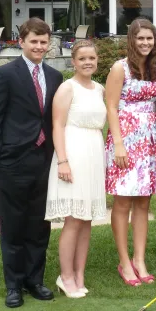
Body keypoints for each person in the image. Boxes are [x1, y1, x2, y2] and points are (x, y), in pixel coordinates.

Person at [0, 17, 63, 308]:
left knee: (38, 225)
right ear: (22, 42)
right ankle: (13, 285)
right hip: (12, 162)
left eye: (44, 42)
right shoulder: (6, 75)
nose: (39, 46)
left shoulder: (55, 77)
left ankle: (34, 280)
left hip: (44, 159)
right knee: (14, 225)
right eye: (34, 41)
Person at [105, 18, 156, 286]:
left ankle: (139, 259)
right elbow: (111, 106)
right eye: (140, 38)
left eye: (149, 38)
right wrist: (118, 143)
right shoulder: (120, 69)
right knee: (123, 202)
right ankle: (124, 261)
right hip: (126, 140)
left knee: (143, 202)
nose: (145, 43)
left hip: (151, 139)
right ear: (131, 39)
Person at [45, 40, 107, 298]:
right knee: (72, 219)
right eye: (82, 59)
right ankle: (65, 276)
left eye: (91, 58)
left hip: (94, 152)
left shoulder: (100, 89)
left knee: (86, 219)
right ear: (73, 62)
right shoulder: (66, 88)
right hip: (73, 152)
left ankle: (79, 274)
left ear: (97, 60)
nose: (87, 62)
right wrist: (63, 161)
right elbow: (57, 126)